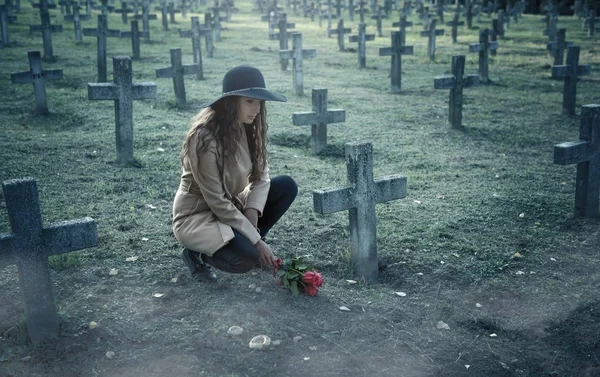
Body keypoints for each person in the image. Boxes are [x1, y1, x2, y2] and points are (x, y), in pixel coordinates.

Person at [172, 65, 298, 282]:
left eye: (259, 101)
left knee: (286, 186)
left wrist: (252, 211)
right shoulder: (203, 139)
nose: (256, 108)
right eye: (249, 101)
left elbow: (262, 176)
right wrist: (256, 242)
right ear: (231, 102)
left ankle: (243, 240)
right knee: (246, 259)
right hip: (198, 215)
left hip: (232, 207)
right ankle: (196, 254)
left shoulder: (248, 127)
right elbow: (217, 202)